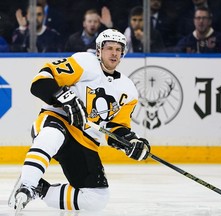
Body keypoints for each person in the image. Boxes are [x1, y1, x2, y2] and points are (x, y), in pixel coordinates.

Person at [8, 29, 151, 212]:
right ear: (99, 50)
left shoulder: (128, 90)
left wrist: (131, 142)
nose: (114, 53)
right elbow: (40, 81)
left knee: (96, 200)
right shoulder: (84, 62)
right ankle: (27, 183)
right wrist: (65, 97)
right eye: (109, 48)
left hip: (84, 140)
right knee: (52, 135)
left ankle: (39, 189)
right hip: (57, 120)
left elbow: (117, 128)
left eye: (118, 49)